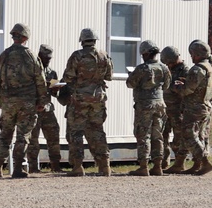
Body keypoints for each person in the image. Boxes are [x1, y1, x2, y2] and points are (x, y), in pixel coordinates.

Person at [0, 23, 48, 179]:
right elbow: (40, 81)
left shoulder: (3, 56)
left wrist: (2, 101)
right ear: (25, 38)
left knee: (5, 135)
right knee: (23, 136)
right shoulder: (31, 56)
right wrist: (42, 101)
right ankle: (17, 168)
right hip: (27, 103)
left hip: (8, 102)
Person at [61, 28, 114, 177]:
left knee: (76, 132)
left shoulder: (77, 56)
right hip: (98, 98)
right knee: (97, 130)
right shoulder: (104, 55)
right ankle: (105, 166)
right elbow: (109, 76)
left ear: (82, 40)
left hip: (79, 99)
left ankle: (77, 166)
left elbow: (69, 77)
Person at [126, 40, 171, 176]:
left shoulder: (142, 68)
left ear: (145, 54)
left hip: (145, 104)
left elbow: (130, 83)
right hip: (160, 104)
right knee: (158, 135)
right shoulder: (164, 68)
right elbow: (166, 86)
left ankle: (144, 166)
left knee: (143, 134)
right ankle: (158, 166)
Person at [175, 40, 212, 175]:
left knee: (188, 134)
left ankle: (204, 162)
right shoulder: (211, 67)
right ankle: (197, 165)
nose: (191, 57)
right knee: (199, 135)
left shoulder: (197, 69)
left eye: (193, 54)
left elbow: (188, 90)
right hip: (205, 105)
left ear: (198, 54)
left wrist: (177, 87)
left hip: (194, 107)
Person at [28, 44, 64, 173]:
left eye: (49, 58)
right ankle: (32, 166)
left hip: (47, 110)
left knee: (54, 137)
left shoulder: (52, 72)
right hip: (34, 109)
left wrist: (56, 89)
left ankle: (55, 165)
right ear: (40, 56)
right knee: (33, 139)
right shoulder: (31, 70)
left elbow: (55, 94)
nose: (47, 60)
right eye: (45, 58)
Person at [160, 46, 192, 173]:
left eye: (169, 62)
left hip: (178, 109)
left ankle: (179, 163)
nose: (168, 64)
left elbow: (187, 90)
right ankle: (163, 162)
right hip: (165, 108)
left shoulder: (185, 71)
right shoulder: (168, 69)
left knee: (179, 137)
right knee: (162, 136)